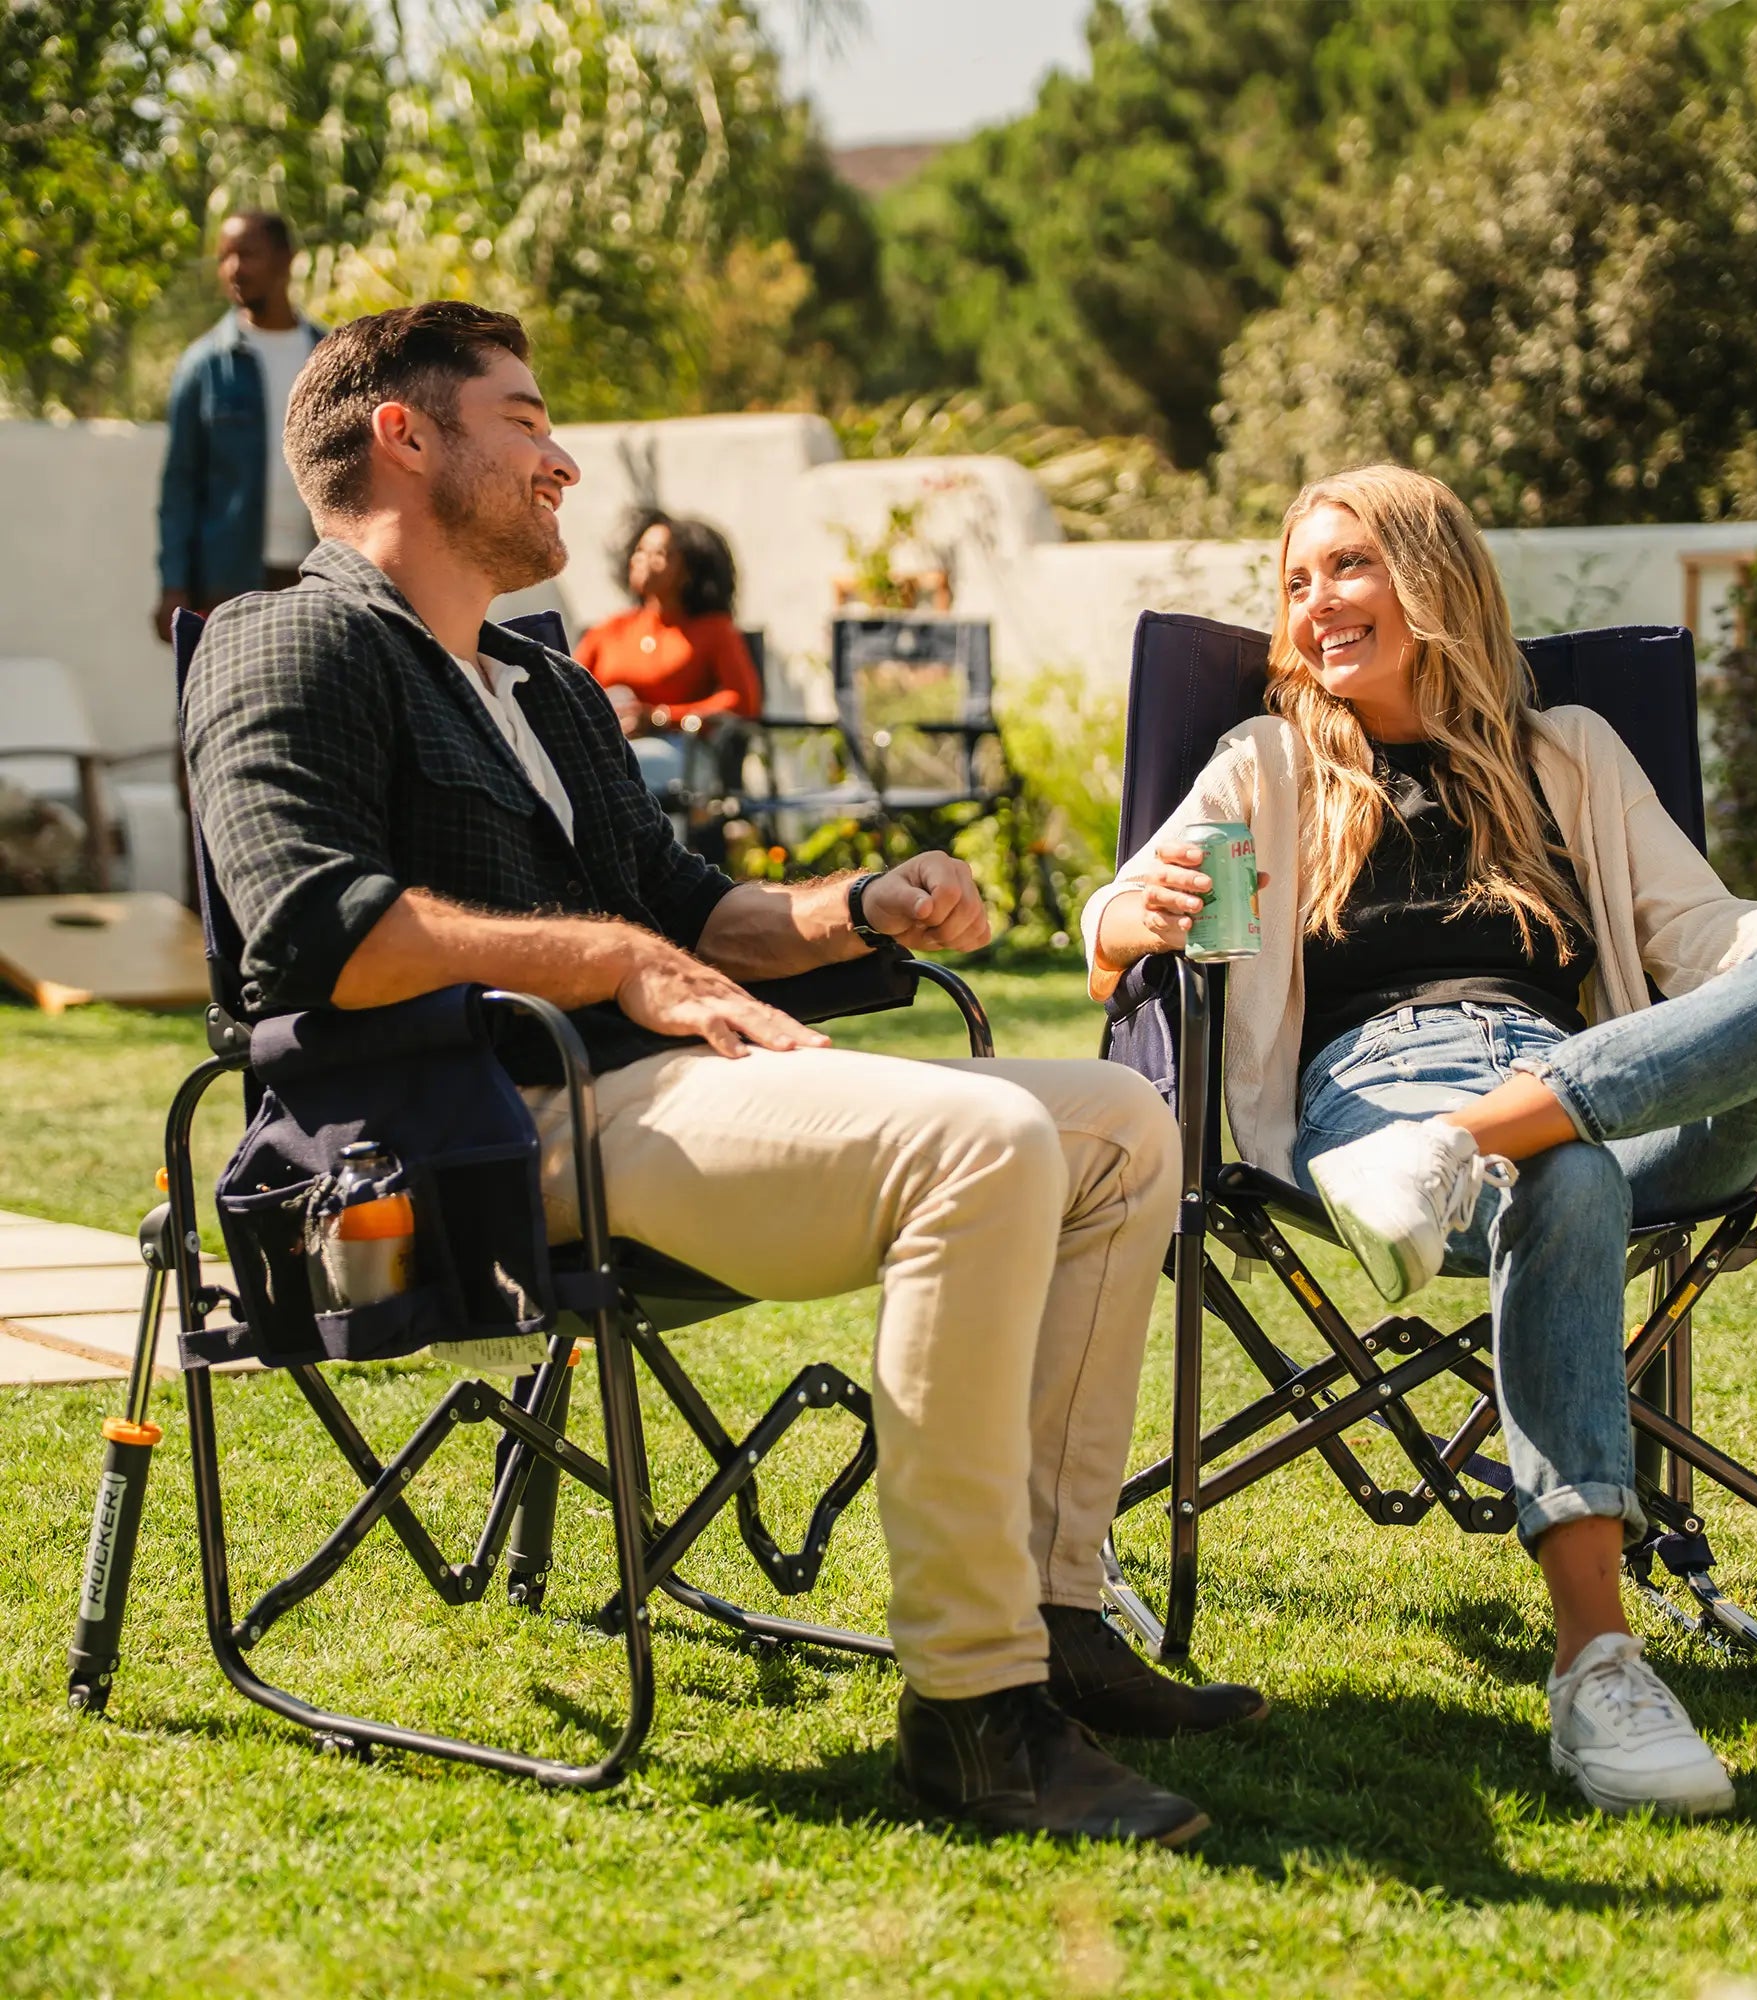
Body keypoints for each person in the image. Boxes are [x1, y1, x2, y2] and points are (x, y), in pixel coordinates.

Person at [183, 300, 1265, 1848]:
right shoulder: (288, 639)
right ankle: (972, 1710)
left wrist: (859, 907)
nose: (561, 461)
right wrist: (607, 962)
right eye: (524, 419)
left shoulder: (541, 684)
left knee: (1114, 1120)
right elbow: (312, 930)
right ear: (402, 437)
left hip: (645, 1091)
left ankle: (1055, 1613)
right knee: (978, 1143)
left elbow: (690, 907)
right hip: (480, 1119)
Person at [1084, 463, 1757, 1820]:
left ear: (1432, 575)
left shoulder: (1569, 751)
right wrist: (1135, 916)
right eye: (1296, 581)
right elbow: (1145, 930)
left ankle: (1481, 1139)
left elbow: (1703, 940)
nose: (1316, 601)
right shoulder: (1271, 768)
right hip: (1371, 1113)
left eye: (1347, 566)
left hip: (1587, 1088)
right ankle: (1598, 1664)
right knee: (1562, 1168)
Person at [154, 212, 324, 643]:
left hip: (317, 574)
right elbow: (180, 484)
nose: (234, 269)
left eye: (247, 254)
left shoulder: (329, 357)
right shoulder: (204, 365)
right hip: (227, 581)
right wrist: (173, 583)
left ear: (286, 260)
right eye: (225, 257)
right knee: (218, 704)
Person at [575, 510, 762, 797]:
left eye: (659, 553)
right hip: (607, 748)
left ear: (688, 571)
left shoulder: (713, 630)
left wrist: (659, 717)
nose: (643, 560)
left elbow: (742, 702)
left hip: (680, 752)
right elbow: (566, 689)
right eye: (640, 550)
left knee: (619, 769)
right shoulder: (608, 630)